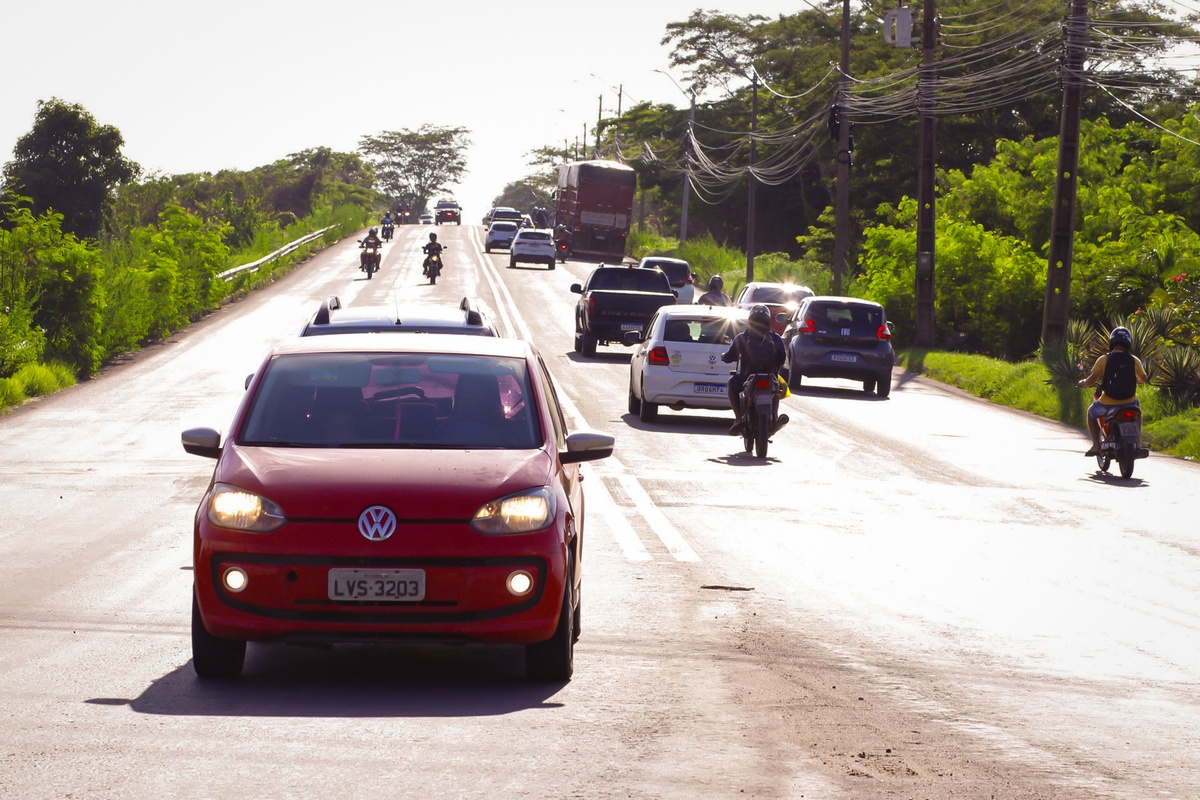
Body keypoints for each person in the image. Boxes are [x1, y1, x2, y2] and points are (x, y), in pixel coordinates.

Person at [1077, 325, 1148, 457]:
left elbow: (1092, 379)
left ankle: (1096, 446)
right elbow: (1144, 378)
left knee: (1091, 413)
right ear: (1128, 342)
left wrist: (1083, 384)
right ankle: (1137, 443)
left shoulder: (1104, 359)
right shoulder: (1134, 360)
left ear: (1112, 341)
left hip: (1107, 402)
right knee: (1138, 413)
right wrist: (1135, 380)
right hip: (1129, 402)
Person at [721, 304, 789, 436]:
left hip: (746, 378)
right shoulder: (776, 338)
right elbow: (782, 358)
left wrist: (725, 357)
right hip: (770, 377)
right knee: (776, 390)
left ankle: (738, 419)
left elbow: (730, 357)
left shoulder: (742, 337)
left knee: (731, 384)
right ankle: (774, 417)